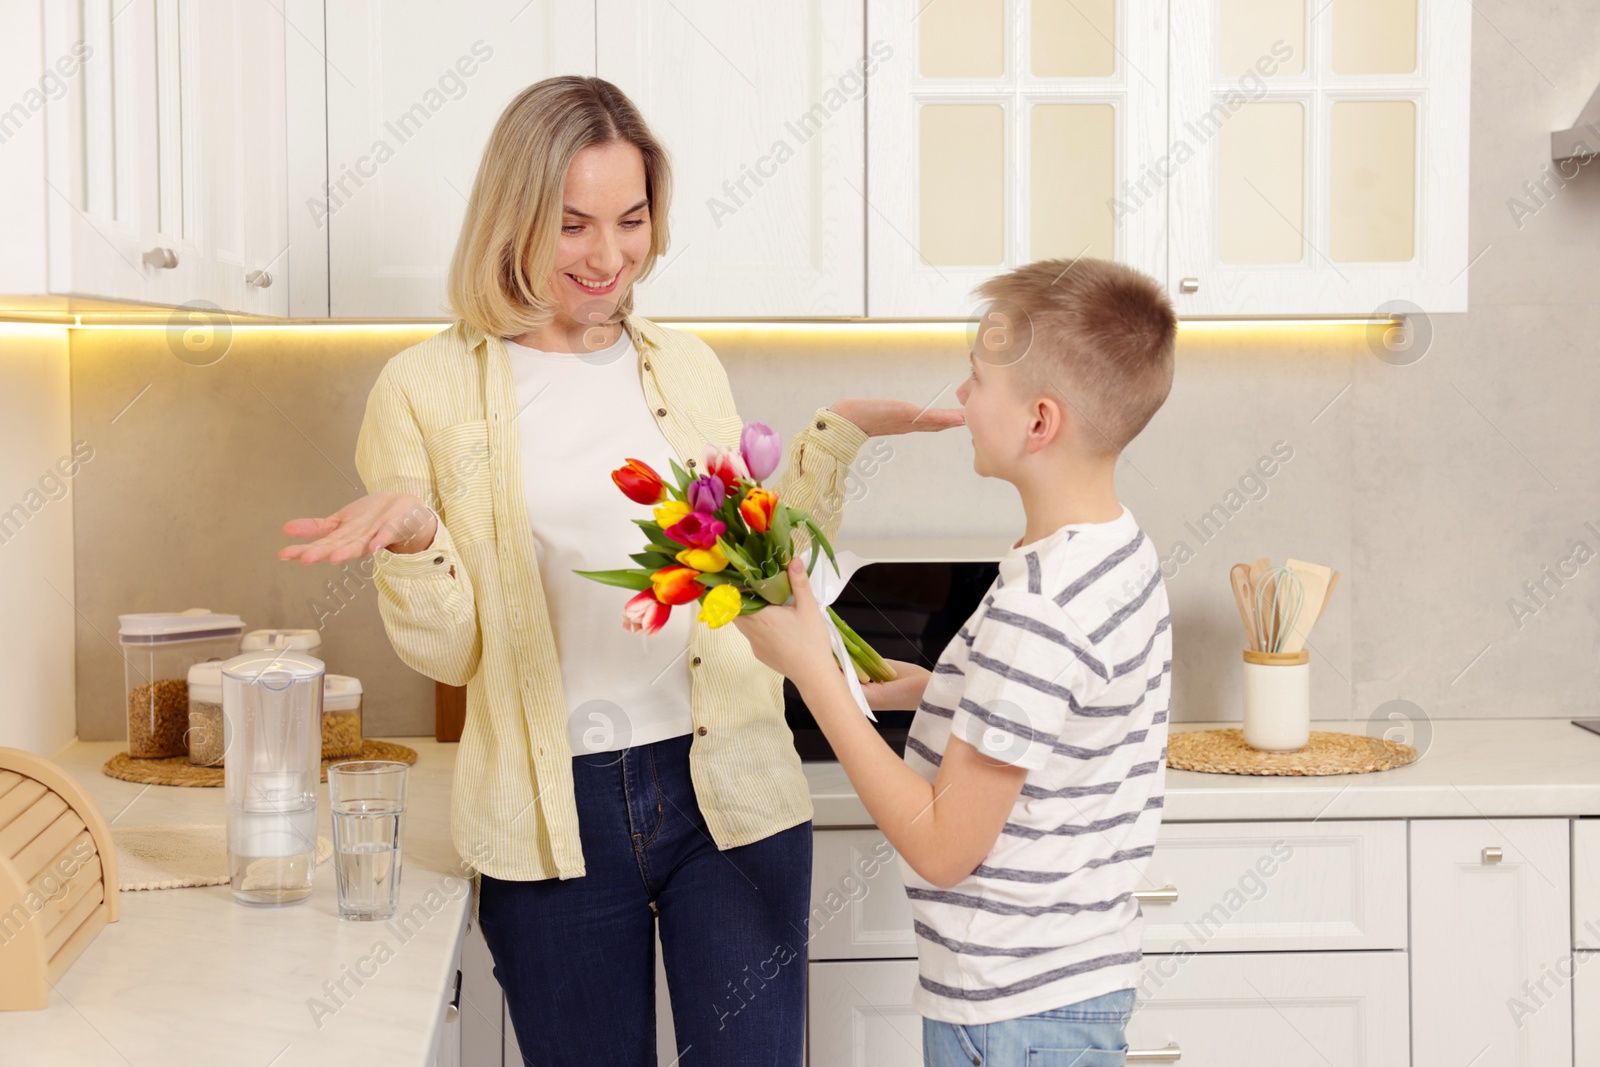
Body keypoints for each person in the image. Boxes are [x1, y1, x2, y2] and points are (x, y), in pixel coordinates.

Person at [278, 76, 963, 1066]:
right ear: (512, 220)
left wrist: (836, 438)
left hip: (729, 782)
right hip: (551, 812)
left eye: (631, 218)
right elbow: (453, 650)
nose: (609, 256)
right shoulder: (422, 389)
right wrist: (420, 539)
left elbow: (767, 574)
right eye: (571, 225)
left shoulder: (685, 366)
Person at [736, 257, 1177, 1066]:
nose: (964, 399)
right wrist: (936, 686)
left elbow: (944, 845)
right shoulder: (1114, 549)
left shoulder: (1038, 606)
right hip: (1069, 985)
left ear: (1040, 422)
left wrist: (814, 674)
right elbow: (1069, 712)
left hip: (1012, 1011)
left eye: (977, 381)